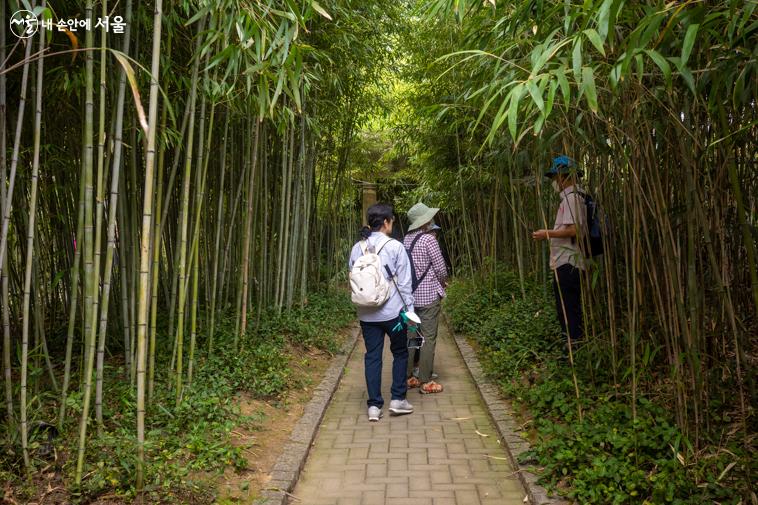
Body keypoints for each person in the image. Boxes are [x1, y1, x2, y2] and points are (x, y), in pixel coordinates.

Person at [349, 203, 416, 421]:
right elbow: (405, 284)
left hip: (367, 315)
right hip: (394, 314)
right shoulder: (395, 247)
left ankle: (374, 406)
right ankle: (398, 400)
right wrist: (411, 312)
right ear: (386, 222)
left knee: (373, 357)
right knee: (400, 353)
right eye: (392, 221)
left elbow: (353, 278)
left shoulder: (357, 248)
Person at [531, 155, 586, 344]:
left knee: (569, 311)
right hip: (565, 262)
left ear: (564, 177)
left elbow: (574, 230)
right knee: (566, 309)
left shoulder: (572, 199)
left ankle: (574, 350)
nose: (555, 182)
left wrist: (547, 233)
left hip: (568, 263)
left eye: (555, 178)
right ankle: (571, 348)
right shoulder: (571, 199)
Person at [403, 202, 448, 394]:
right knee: (428, 338)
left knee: (412, 336)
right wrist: (444, 281)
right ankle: (425, 381)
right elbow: (440, 268)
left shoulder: (406, 239)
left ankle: (409, 377)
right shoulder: (429, 240)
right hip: (428, 295)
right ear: (425, 221)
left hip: (409, 298)